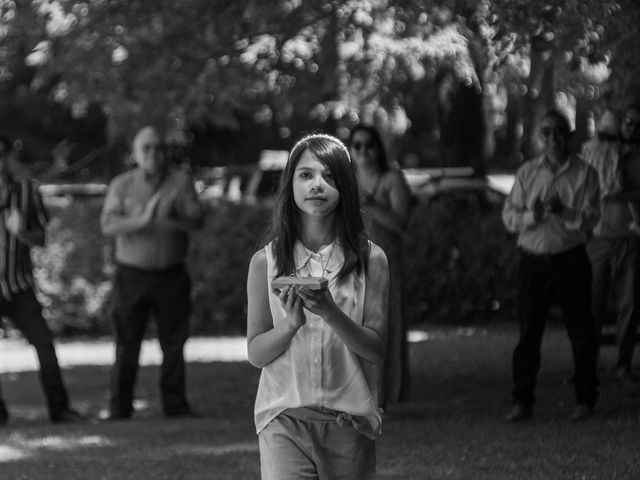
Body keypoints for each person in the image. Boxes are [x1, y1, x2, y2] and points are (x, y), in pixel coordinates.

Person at [247, 133, 389, 479]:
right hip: (283, 419)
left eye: (329, 176)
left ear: (346, 186)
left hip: (348, 421)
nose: (317, 185)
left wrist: (330, 312)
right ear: (290, 184)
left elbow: (375, 349)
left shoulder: (370, 259)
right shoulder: (265, 262)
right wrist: (290, 324)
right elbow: (256, 353)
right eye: (306, 175)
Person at [502, 110, 601, 422]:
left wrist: (564, 212)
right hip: (534, 261)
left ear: (569, 134)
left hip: (570, 258)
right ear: (540, 137)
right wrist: (535, 216)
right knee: (529, 334)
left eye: (560, 131)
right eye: (547, 132)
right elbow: (509, 217)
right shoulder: (528, 173)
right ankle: (522, 401)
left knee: (581, 332)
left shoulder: (585, 174)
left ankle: (585, 399)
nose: (554, 137)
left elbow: (591, 220)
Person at [100, 125, 204, 420]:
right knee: (127, 343)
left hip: (172, 275)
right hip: (132, 275)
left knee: (174, 342)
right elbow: (108, 226)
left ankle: (175, 406)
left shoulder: (181, 181)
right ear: (135, 153)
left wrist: (177, 216)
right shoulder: (122, 184)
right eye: (146, 148)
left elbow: (198, 222)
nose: (153, 153)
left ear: (166, 151)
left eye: (159, 147)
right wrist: (142, 219)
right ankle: (119, 407)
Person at [0, 134, 85, 425]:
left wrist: (20, 231)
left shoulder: (26, 191)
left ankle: (60, 409)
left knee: (44, 346)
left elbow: (41, 239)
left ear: (8, 156)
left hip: (20, 285)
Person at [348, 125, 413, 407]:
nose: (363, 151)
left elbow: (401, 223)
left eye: (369, 144)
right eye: (357, 145)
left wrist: (372, 204)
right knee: (354, 323)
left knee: (386, 324)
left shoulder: (392, 179)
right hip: (353, 262)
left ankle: (386, 394)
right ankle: (355, 393)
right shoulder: (346, 180)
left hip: (386, 262)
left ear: (378, 148)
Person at [584, 103, 640, 380]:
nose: (631, 128)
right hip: (597, 240)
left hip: (627, 240)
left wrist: (623, 195)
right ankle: (587, 366)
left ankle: (624, 364)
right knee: (592, 304)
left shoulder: (635, 159)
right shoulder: (594, 154)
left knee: (628, 305)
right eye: (627, 123)